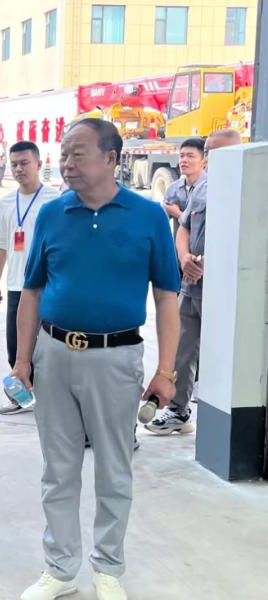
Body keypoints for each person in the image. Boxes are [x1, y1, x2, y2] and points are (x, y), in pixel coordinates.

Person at [14, 118, 180, 600]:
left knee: (113, 468)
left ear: (110, 158)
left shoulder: (148, 216)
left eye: (77, 153)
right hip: (54, 355)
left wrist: (165, 371)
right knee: (58, 469)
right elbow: (31, 291)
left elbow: (166, 296)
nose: (66, 163)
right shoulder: (51, 214)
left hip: (116, 357)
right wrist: (23, 360)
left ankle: (108, 569)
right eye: (63, 154)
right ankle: (61, 568)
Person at [146, 129, 241, 435]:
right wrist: (185, 256)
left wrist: (210, 264)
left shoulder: (250, 187)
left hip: (224, 291)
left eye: (218, 151)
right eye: (209, 151)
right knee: (182, 349)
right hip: (192, 285)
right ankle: (178, 410)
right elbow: (184, 227)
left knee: (221, 356)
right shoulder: (203, 188)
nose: (211, 158)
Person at [0, 141, 60, 415]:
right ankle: (21, 397)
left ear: (38, 164)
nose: (18, 169)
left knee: (49, 347)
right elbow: (0, 245)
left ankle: (50, 399)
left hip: (50, 286)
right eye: (14, 164)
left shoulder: (54, 201)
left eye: (24, 163)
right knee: (16, 346)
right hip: (18, 285)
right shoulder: (5, 203)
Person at [162, 138, 207, 227]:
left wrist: (178, 214)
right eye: (182, 156)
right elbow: (162, 222)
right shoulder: (173, 189)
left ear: (204, 162)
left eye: (190, 156)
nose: (184, 160)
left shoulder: (209, 188)